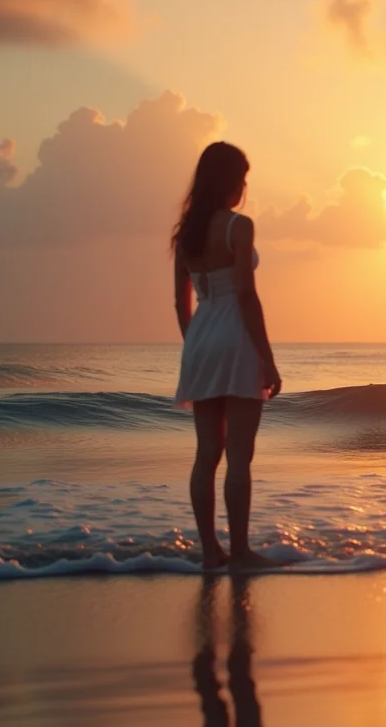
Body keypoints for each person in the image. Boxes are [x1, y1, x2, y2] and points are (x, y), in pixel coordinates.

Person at [172, 141, 282, 573]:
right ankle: (240, 552)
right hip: (236, 337)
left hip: (201, 337)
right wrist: (267, 359)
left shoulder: (186, 235)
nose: (244, 187)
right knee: (239, 456)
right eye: (242, 178)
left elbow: (180, 303)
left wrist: (196, 346)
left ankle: (209, 552)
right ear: (230, 181)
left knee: (206, 455)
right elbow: (246, 295)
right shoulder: (239, 225)